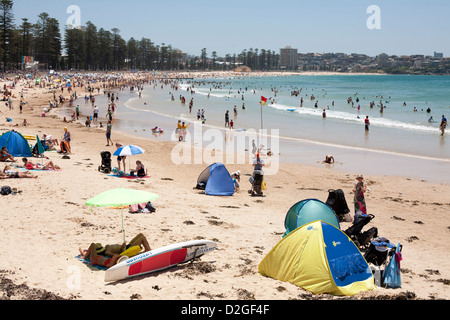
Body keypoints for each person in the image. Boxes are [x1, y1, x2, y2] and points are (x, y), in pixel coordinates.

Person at [78, 233, 151, 268]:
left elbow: (114, 256)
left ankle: (84, 256)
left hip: (96, 260)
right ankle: (148, 250)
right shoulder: (111, 260)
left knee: (92, 246)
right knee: (142, 237)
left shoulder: (106, 256)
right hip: (127, 249)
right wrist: (121, 255)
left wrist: (120, 254)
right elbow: (114, 257)